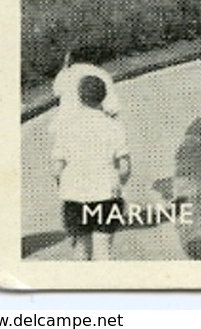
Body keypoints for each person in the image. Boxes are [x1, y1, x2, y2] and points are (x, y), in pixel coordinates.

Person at [49, 73, 130, 261]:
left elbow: (57, 168)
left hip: (74, 197)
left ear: (79, 96)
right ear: (104, 96)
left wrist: (63, 185)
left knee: (80, 252)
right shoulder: (114, 126)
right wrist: (119, 183)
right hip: (107, 196)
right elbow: (125, 167)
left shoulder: (66, 127)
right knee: (103, 253)